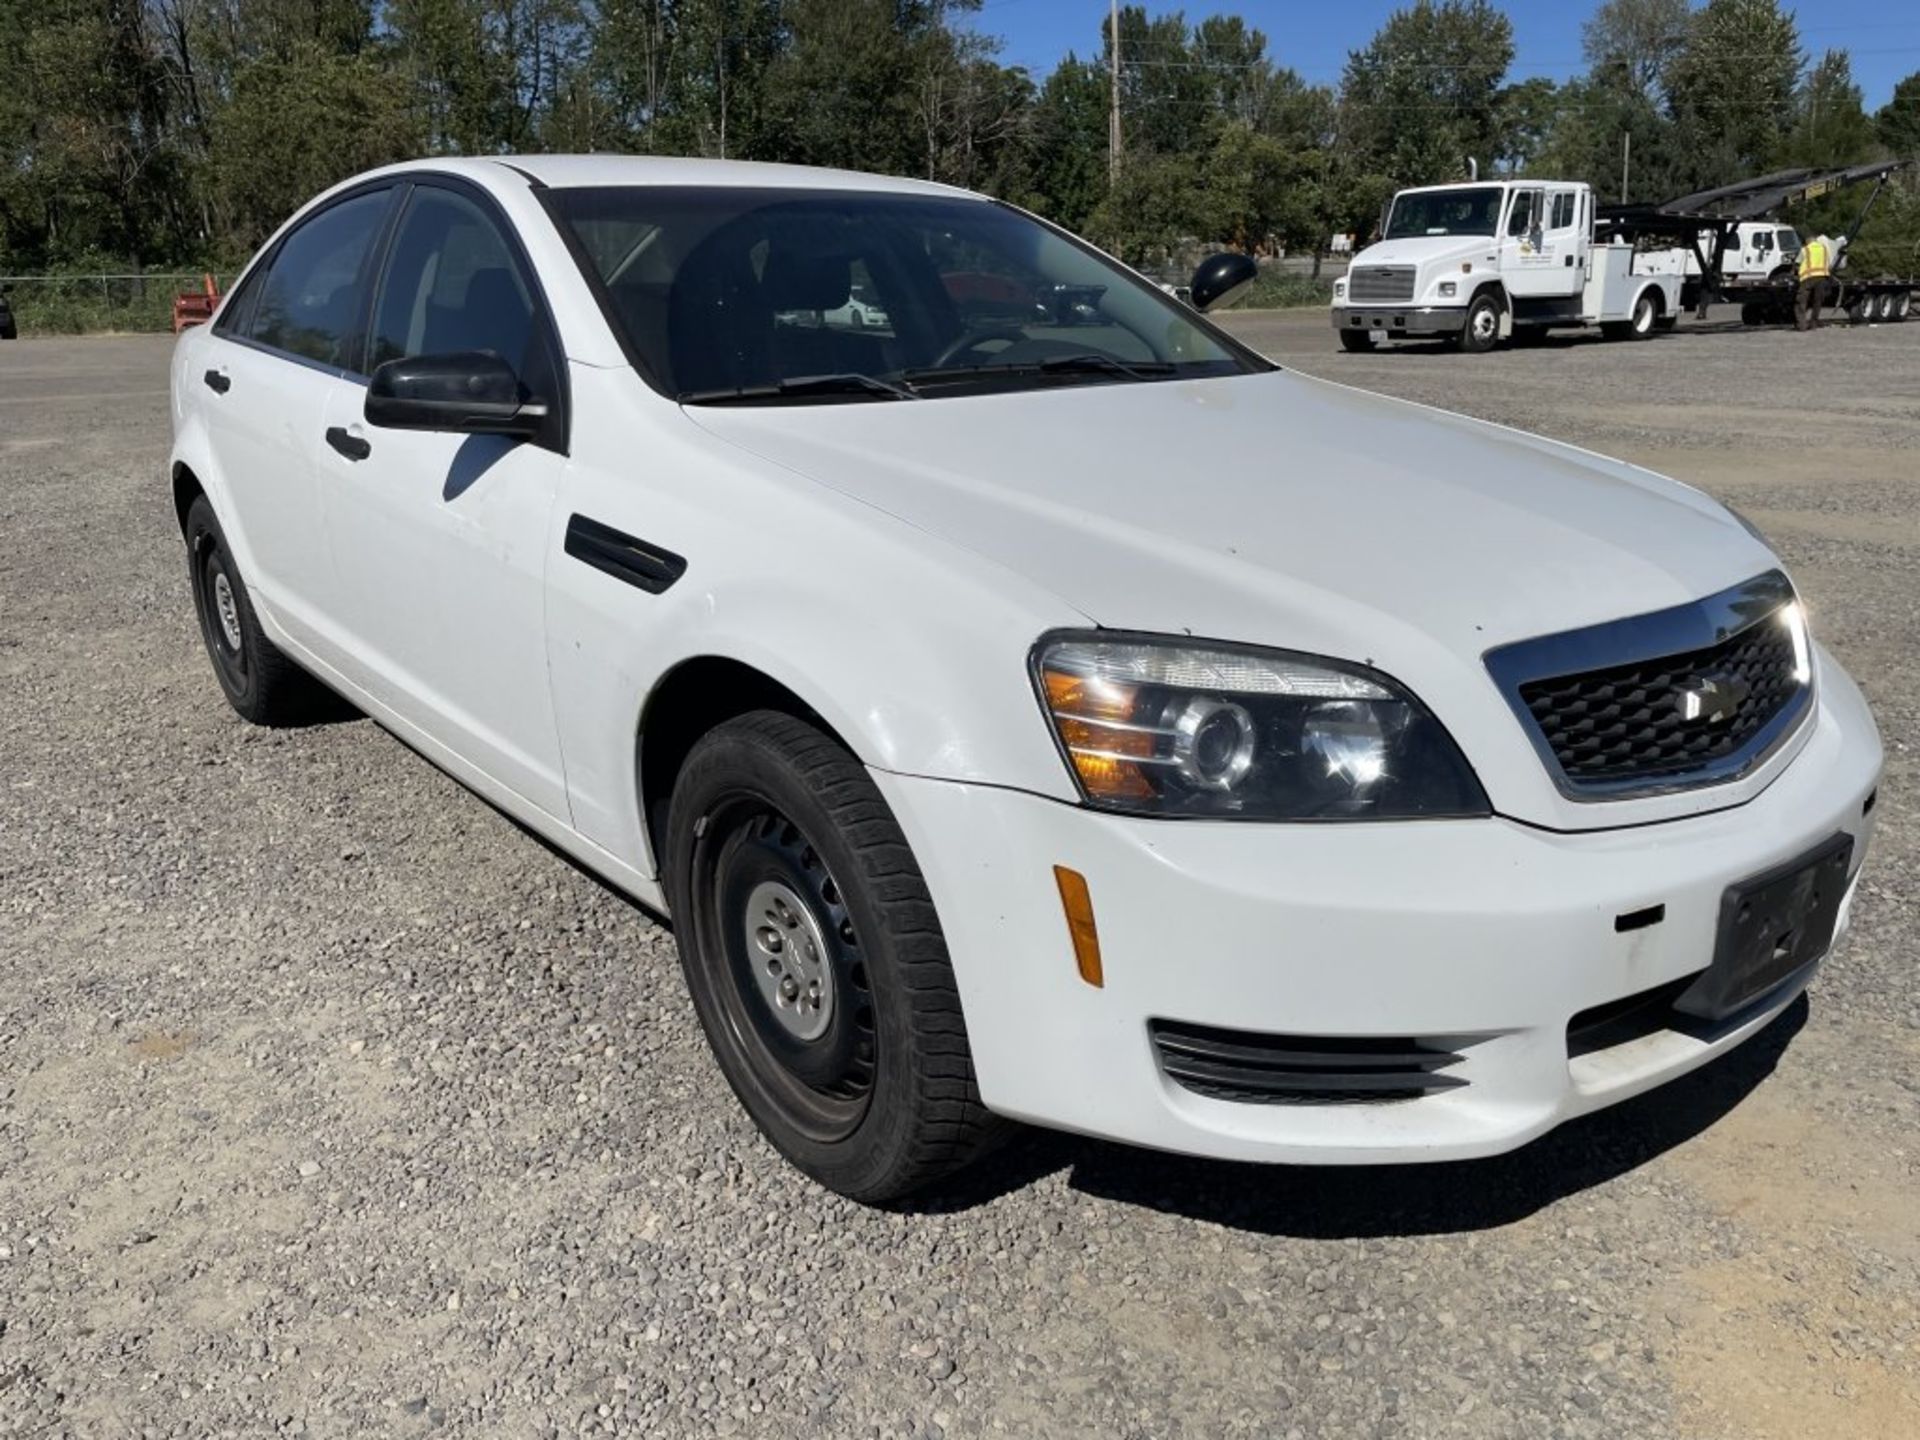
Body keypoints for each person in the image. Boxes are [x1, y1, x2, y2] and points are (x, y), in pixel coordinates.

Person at [1795, 233, 1833, 330]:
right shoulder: (1824, 249)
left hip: (1808, 278)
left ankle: (1802, 325)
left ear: (1807, 241)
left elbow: (1797, 263)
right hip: (1822, 277)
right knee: (1817, 301)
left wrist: (1795, 273)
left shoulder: (1805, 249)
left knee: (1801, 301)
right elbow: (1829, 263)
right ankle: (1813, 324)